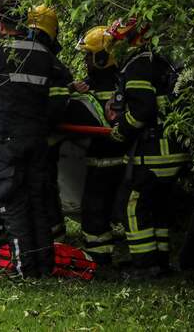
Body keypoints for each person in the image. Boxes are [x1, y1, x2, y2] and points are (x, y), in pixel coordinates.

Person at [0, 1, 71, 278]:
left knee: (13, 203)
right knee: (37, 203)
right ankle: (44, 267)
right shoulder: (45, 56)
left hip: (7, 141)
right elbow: (63, 81)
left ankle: (23, 270)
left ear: (1, 26)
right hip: (38, 141)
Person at [105, 17, 187, 276]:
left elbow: (142, 110)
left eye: (120, 42)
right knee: (159, 207)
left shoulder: (138, 67)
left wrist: (120, 133)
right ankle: (160, 261)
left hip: (153, 153)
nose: (115, 48)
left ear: (134, 40)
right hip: (173, 149)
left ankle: (143, 264)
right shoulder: (162, 62)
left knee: (133, 206)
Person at [71, 26, 127, 265]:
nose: (85, 60)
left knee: (95, 210)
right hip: (124, 162)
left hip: (104, 161)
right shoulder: (123, 80)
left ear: (101, 57)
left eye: (88, 55)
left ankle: (98, 256)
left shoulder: (100, 84)